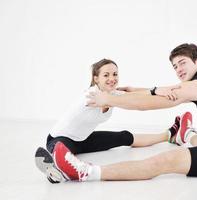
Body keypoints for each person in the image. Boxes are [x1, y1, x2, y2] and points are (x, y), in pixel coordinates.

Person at [52, 43, 197, 182]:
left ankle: (86, 173)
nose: (178, 69)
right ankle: (187, 136)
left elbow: (151, 103)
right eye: (174, 66)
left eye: (182, 63)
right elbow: (168, 90)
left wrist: (107, 98)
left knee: (165, 161)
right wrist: (136, 89)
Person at [35, 58, 181, 183]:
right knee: (61, 148)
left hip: (83, 140)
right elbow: (133, 98)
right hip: (59, 139)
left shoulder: (111, 93)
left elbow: (133, 92)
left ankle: (169, 135)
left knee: (123, 136)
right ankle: (59, 168)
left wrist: (158, 90)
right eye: (106, 75)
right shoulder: (91, 95)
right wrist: (151, 93)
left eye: (115, 74)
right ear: (96, 78)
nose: (112, 78)